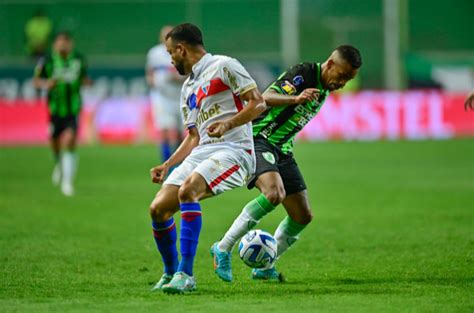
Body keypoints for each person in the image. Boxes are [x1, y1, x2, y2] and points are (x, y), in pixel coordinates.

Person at [211, 45, 363, 282]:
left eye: (348, 79)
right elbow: (264, 98)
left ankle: (264, 267)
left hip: (283, 149)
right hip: (259, 139)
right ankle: (222, 247)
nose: (342, 82)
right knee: (274, 193)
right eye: (342, 75)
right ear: (330, 64)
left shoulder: (325, 86)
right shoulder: (303, 74)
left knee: (302, 216)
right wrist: (295, 97)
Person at [148, 23, 267, 294]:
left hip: (234, 151)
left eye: (171, 53)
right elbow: (193, 137)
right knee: (158, 209)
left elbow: (257, 103)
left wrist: (228, 123)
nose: (170, 60)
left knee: (188, 191)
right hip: (202, 152)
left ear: (181, 49)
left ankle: (186, 275)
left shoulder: (225, 66)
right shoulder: (187, 88)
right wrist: (168, 165)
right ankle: (170, 273)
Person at [33, 31, 91, 196]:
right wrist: (46, 83)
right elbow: (36, 81)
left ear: (71, 44)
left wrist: (87, 82)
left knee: (70, 140)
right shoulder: (47, 61)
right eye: (60, 42)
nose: (63, 45)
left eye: (66, 42)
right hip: (54, 110)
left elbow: (84, 77)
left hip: (73, 109)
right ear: (54, 45)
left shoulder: (79, 59)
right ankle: (59, 163)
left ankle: (67, 182)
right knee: (55, 143)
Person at [146, 25, 185, 162]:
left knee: (180, 133)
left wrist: (177, 78)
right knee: (164, 130)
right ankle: (166, 163)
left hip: (179, 96)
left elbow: (188, 74)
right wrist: (152, 81)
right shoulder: (154, 53)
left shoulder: (181, 52)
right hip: (161, 97)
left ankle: (178, 161)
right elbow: (149, 73)